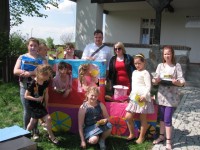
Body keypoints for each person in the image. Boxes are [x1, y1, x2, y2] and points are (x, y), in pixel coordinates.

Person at [152, 46, 185, 150]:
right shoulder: (160, 66)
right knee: (161, 118)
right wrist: (155, 81)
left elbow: (182, 81)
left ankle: (169, 141)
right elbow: (154, 80)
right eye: (165, 54)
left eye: (169, 53)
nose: (167, 55)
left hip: (172, 97)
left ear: (172, 54)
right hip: (162, 95)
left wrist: (177, 82)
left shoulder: (176, 66)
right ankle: (161, 136)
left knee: (167, 118)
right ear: (163, 55)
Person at [13, 37, 46, 140]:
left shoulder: (42, 59)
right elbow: (15, 70)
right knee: (27, 110)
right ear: (28, 46)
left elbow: (46, 71)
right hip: (25, 86)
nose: (33, 47)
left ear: (37, 47)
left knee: (35, 109)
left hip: (37, 88)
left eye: (35, 45)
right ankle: (26, 132)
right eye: (31, 45)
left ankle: (35, 131)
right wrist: (25, 73)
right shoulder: (21, 57)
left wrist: (30, 73)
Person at [24, 64, 59, 145]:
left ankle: (51, 136)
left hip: (39, 104)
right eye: (47, 75)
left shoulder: (46, 81)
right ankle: (25, 135)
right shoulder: (33, 83)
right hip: (32, 104)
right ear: (41, 74)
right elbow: (26, 96)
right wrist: (36, 99)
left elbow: (46, 93)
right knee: (33, 122)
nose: (49, 77)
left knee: (48, 119)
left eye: (49, 75)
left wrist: (46, 105)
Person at [125, 53, 154, 144]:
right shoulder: (134, 72)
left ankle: (141, 137)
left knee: (143, 118)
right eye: (135, 63)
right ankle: (132, 134)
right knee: (128, 117)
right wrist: (131, 96)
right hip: (135, 98)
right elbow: (134, 86)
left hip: (143, 99)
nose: (137, 65)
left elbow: (148, 86)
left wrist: (144, 96)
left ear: (144, 62)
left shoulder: (145, 73)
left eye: (139, 63)